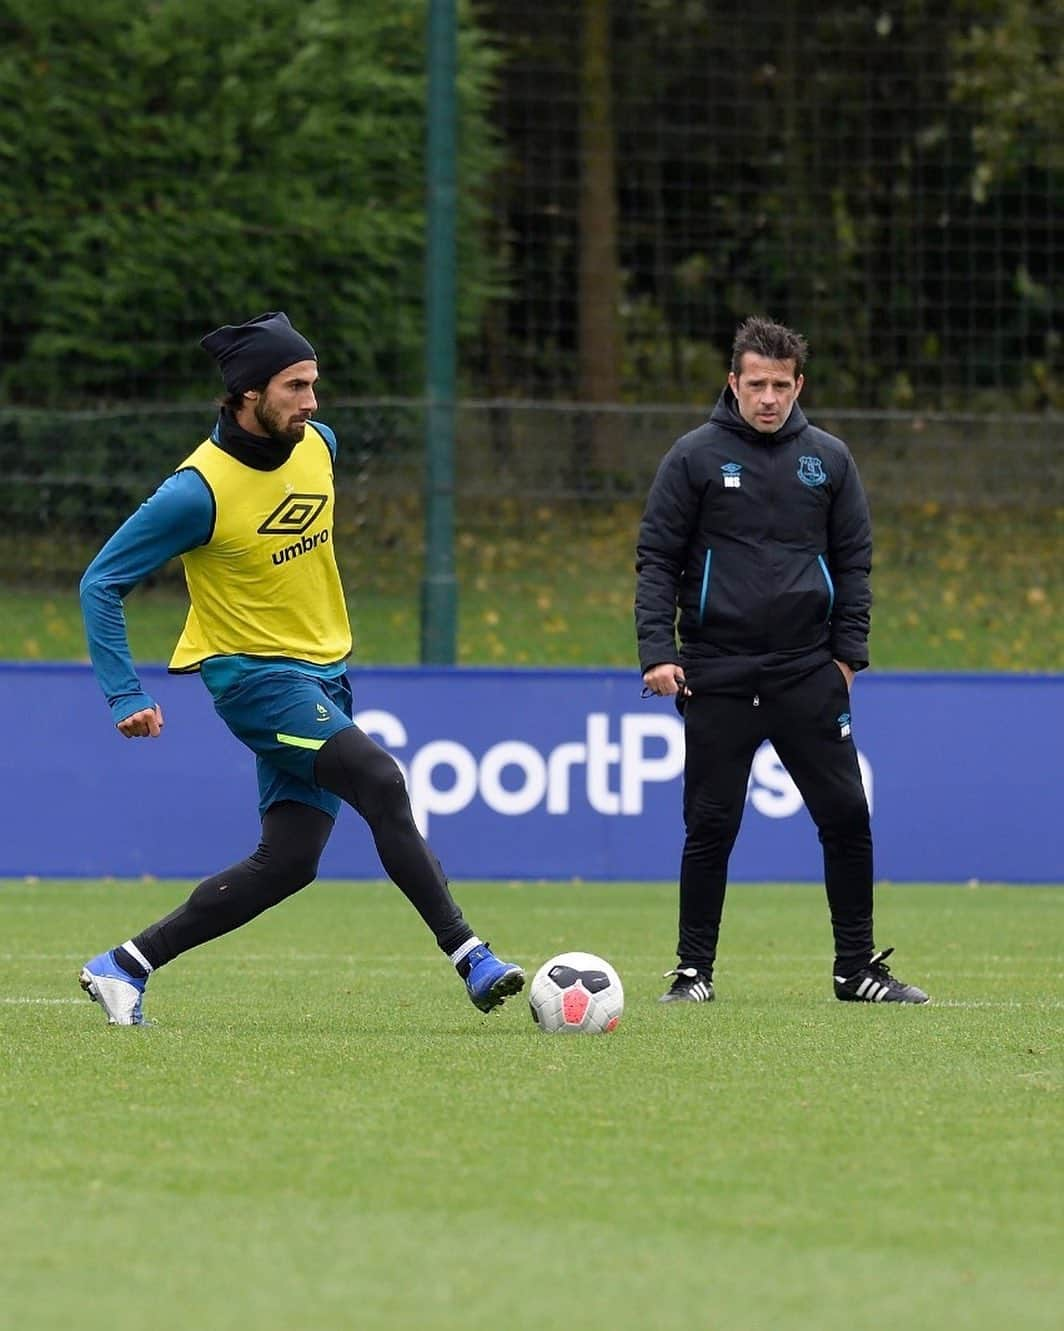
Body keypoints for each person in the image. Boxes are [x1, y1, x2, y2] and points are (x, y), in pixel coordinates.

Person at [78, 311, 524, 1026]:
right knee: (380, 779)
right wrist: (122, 691)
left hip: (324, 675)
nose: (312, 401)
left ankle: (124, 966)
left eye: (314, 383)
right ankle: (473, 956)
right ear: (248, 394)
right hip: (254, 680)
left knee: (288, 862)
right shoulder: (197, 490)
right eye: (295, 386)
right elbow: (99, 582)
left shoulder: (319, 445)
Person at [635, 315, 929, 1005]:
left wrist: (847, 656)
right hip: (718, 672)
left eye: (781, 385)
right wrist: (658, 652)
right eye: (756, 384)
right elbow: (657, 560)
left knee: (847, 817)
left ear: (799, 386)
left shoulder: (829, 459)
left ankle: (856, 969)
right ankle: (692, 971)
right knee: (710, 826)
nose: (769, 398)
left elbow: (854, 560)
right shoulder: (693, 458)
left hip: (807, 672)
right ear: (732, 383)